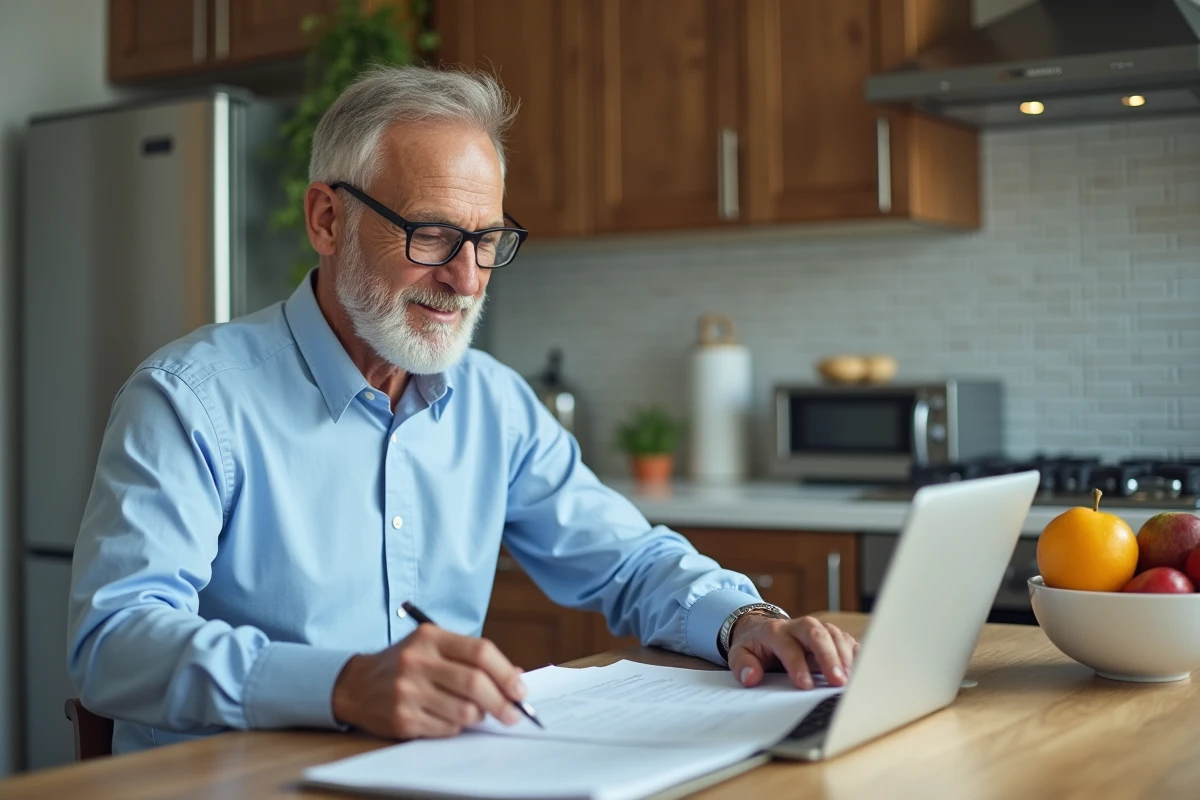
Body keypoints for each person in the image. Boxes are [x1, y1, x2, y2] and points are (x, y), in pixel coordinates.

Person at [67, 65, 858, 754]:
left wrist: (743, 620)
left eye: (486, 240)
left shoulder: (495, 404)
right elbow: (113, 641)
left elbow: (628, 561)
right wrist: (342, 685)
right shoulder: (190, 399)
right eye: (433, 235)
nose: (468, 279)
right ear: (327, 220)